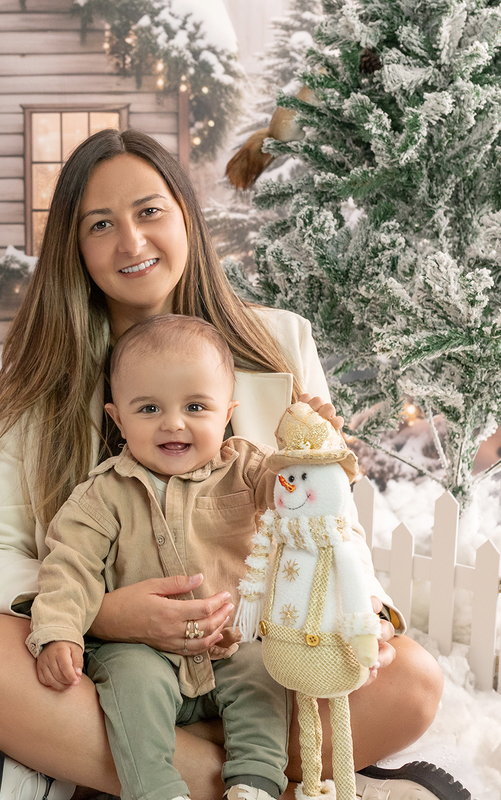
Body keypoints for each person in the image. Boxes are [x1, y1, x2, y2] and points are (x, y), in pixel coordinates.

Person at [0, 128, 449, 800]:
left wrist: (366, 615)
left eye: (150, 212)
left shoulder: (280, 342)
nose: (131, 242)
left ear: (184, 216)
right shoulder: (46, 371)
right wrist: (102, 614)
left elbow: (330, 524)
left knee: (411, 681)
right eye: (100, 224)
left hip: (251, 651)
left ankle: (94, 768)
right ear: (75, 246)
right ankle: (263, 783)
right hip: (105, 656)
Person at [30, 314, 298, 800]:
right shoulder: (103, 495)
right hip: (144, 651)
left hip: (232, 643)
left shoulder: (244, 468)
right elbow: (70, 568)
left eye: (196, 406)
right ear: (117, 419)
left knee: (266, 675)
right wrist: (59, 632)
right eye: (149, 408)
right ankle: (156, 789)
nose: (173, 423)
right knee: (131, 685)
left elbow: (292, 487)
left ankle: (255, 783)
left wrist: (312, 452)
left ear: (227, 413)